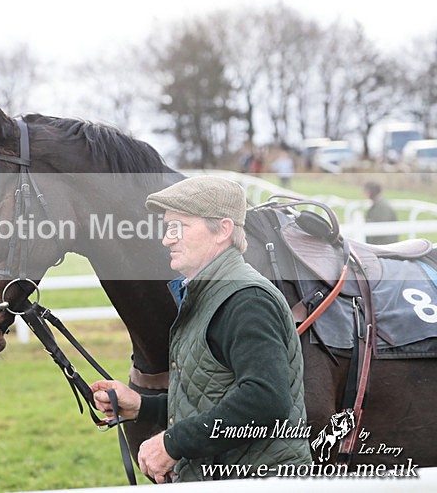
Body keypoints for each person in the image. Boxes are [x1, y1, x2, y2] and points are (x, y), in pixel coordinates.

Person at [91, 176, 311, 483]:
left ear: (222, 230)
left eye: (178, 228)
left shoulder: (247, 299)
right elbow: (210, 395)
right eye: (167, 229)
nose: (166, 240)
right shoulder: (207, 295)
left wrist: (172, 443)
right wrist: (144, 407)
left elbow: (266, 401)